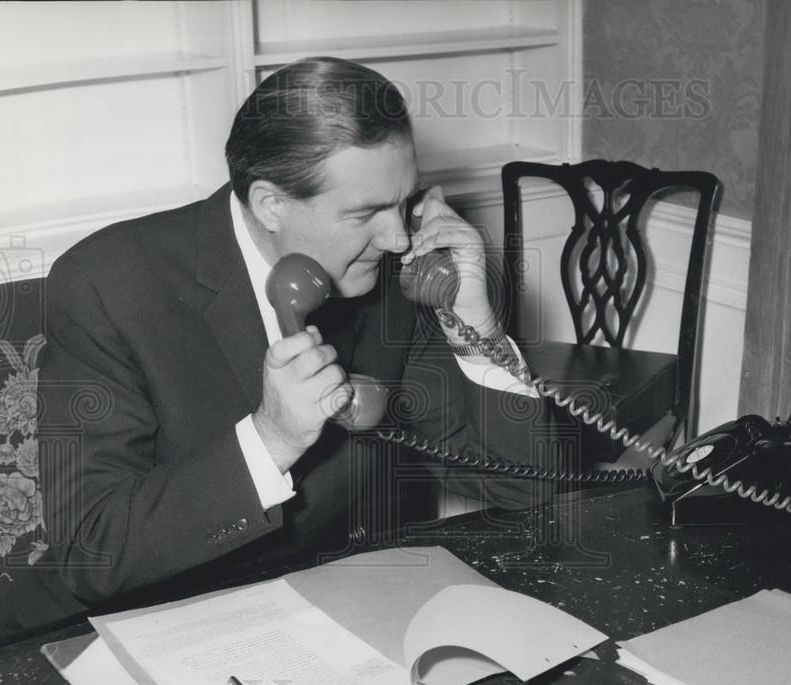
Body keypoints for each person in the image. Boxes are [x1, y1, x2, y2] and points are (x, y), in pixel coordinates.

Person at [32, 57, 554, 622]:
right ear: (270, 204)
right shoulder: (108, 285)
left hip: (352, 612)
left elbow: (527, 492)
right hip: (188, 623)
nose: (400, 236)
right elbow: (92, 556)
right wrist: (271, 438)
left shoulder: (392, 277)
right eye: (366, 213)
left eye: (404, 202)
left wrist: (474, 326)